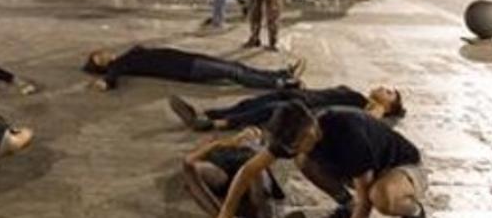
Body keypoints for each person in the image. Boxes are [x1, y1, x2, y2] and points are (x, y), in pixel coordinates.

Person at [217, 102, 428, 218]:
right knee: (303, 160)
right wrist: (225, 212)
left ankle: (415, 212)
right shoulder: (292, 132)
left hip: (402, 168)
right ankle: (346, 205)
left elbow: (365, 203)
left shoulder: (348, 133)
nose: (291, 150)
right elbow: (248, 170)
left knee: (380, 197)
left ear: (311, 132)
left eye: (297, 144)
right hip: (361, 168)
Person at [168, 84, 405, 132]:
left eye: (389, 92)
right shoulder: (356, 95)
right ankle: (205, 114)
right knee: (250, 103)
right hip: (299, 95)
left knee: (267, 108)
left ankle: (212, 124)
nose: (384, 87)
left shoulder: (365, 107)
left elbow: (372, 120)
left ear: (389, 104)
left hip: (301, 108)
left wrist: (382, 108)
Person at [81, 45, 303, 91]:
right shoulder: (120, 63)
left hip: (187, 58)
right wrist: (104, 83)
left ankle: (280, 74)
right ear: (101, 63)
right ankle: (278, 84)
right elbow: (113, 77)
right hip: (187, 69)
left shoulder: (123, 57)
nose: (102, 51)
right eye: (98, 56)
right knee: (233, 73)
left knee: (236, 66)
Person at [181, 127, 282, 218]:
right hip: (223, 174)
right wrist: (218, 144)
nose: (250, 134)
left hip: (250, 176)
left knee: (255, 169)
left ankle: (263, 213)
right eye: (247, 131)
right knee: (190, 169)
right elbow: (189, 160)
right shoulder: (220, 147)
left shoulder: (259, 151)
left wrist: (255, 146)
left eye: (255, 133)